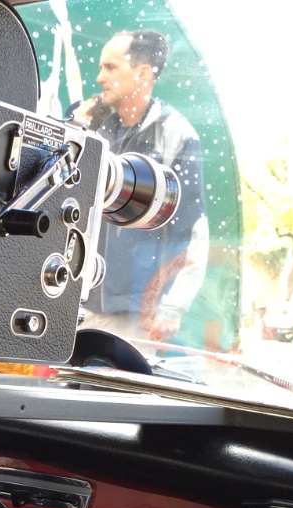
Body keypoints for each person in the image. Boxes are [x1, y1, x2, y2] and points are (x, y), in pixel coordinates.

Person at [73, 30, 207, 344]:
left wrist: (171, 309)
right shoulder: (92, 124)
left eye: (110, 67)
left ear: (142, 74)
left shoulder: (176, 135)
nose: (99, 77)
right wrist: (75, 128)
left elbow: (191, 231)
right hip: (79, 306)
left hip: (137, 319)